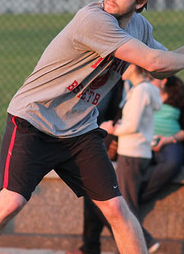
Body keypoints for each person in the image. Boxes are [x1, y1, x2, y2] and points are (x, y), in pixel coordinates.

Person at [0, 0, 184, 254]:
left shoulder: (139, 27)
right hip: (34, 120)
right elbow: (154, 63)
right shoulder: (93, 19)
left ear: (141, 1)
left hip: (78, 131)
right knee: (10, 203)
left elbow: (161, 67)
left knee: (117, 210)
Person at [101, 64, 162, 252]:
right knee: (127, 204)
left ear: (135, 67)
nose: (121, 69)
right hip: (137, 153)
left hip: (132, 153)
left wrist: (112, 129)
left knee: (126, 206)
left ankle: (141, 245)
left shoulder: (140, 91)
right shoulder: (144, 89)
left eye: (125, 66)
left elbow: (132, 125)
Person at [67, 81, 124, 254]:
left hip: (113, 139)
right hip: (90, 137)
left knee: (99, 195)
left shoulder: (121, 81)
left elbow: (117, 112)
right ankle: (90, 246)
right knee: (91, 191)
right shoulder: (89, 75)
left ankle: (139, 241)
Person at [139, 75, 184, 204]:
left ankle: (143, 197)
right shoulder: (144, 96)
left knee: (172, 163)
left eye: (152, 79)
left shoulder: (178, 100)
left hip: (170, 142)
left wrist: (167, 140)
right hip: (145, 140)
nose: (148, 82)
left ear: (164, 81)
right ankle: (129, 196)